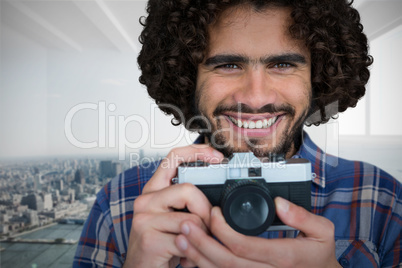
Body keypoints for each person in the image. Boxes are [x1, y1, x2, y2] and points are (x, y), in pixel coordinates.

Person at [73, 0, 402, 267]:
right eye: (228, 65)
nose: (256, 97)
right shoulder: (120, 204)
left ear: (316, 77)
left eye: (283, 64)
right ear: (188, 76)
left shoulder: (383, 201)